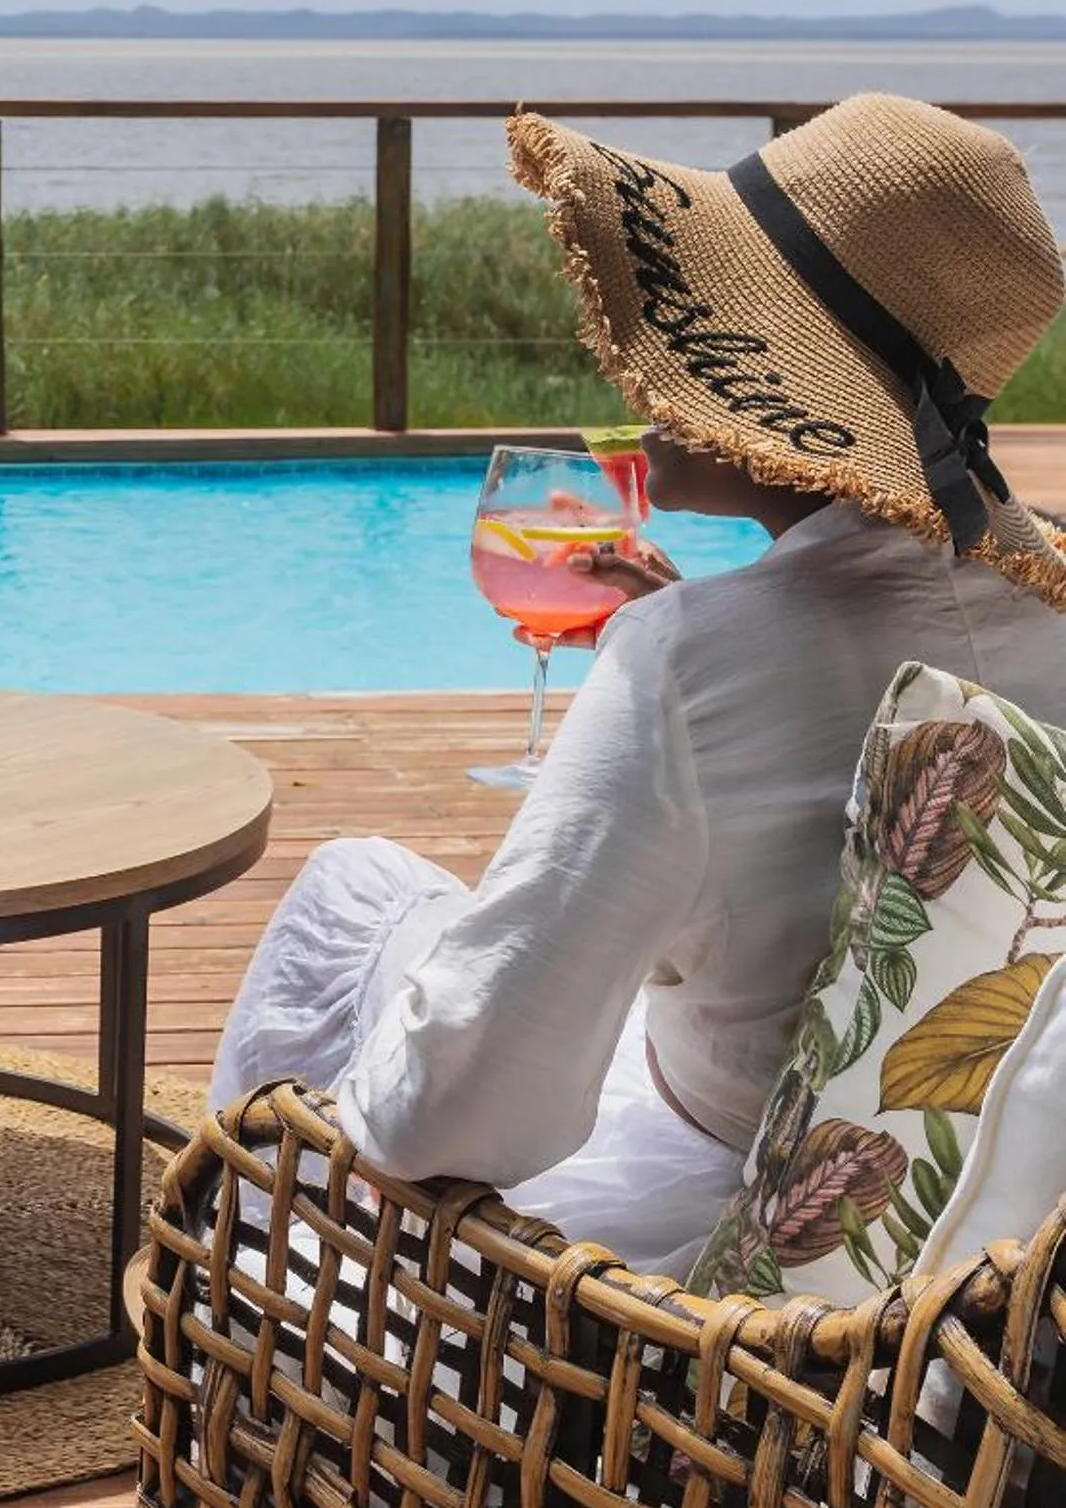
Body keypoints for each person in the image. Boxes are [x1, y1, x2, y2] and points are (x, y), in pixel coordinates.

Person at [209, 93, 1066, 1278]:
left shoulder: (691, 662)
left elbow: (465, 1111)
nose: (643, 359)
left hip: (711, 1237)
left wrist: (668, 653)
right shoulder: (1043, 602)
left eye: (696, 323)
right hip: (976, 1252)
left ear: (776, 382)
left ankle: (254, 1313)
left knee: (353, 886)